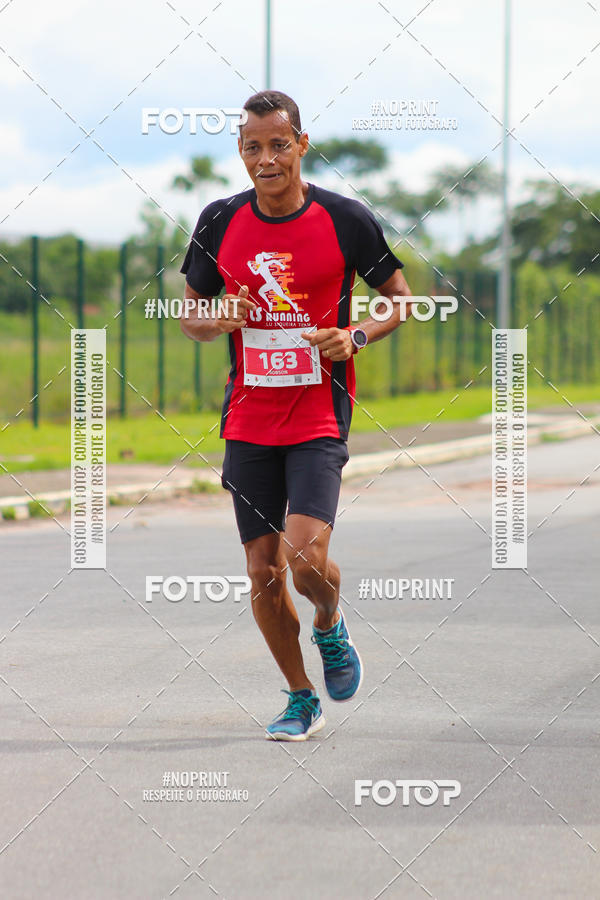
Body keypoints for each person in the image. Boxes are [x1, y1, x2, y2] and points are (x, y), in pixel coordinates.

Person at [180, 90, 412, 741]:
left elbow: (399, 299)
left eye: (279, 144)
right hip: (248, 419)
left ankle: (331, 622)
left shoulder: (345, 219)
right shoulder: (219, 220)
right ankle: (299, 695)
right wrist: (215, 317)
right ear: (241, 152)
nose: (266, 159)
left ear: (301, 145)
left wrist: (357, 335)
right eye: (253, 147)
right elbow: (189, 314)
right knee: (262, 570)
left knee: (306, 564)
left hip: (318, 415)